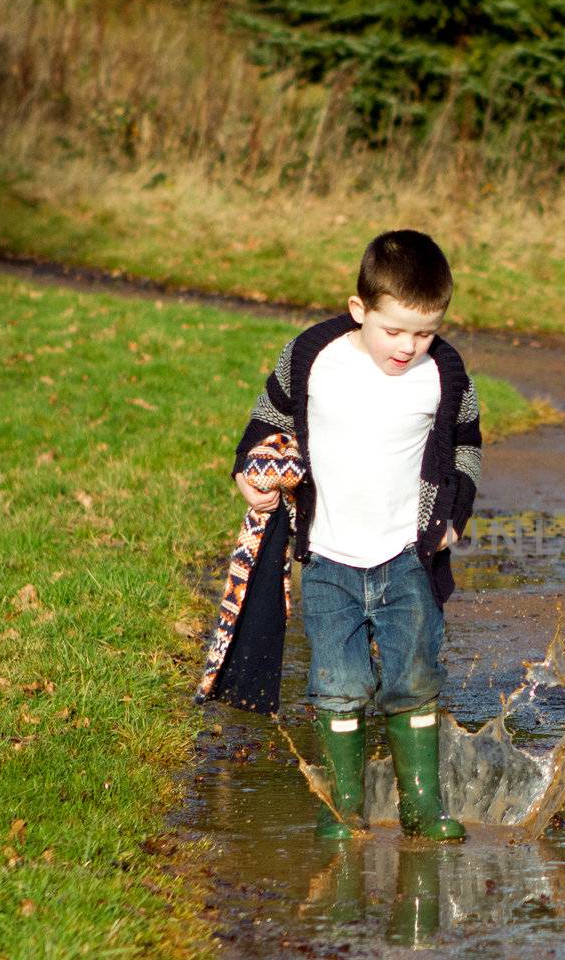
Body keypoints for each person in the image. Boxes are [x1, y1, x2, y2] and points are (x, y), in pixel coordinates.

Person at [207, 229, 482, 842]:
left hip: (407, 557)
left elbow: (465, 449)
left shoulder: (445, 376)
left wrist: (452, 517)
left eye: (425, 332)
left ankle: (421, 809)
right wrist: (251, 474)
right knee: (339, 682)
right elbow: (269, 420)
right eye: (395, 330)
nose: (409, 346)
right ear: (360, 310)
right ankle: (345, 811)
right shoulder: (314, 356)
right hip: (328, 556)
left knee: (414, 677)